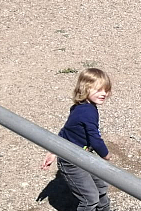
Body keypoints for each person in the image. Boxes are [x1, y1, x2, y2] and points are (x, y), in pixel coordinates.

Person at [41, 68, 113, 211]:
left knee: (101, 186)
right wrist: (105, 154)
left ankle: (104, 208)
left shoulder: (82, 107)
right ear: (85, 89)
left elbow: (67, 131)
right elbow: (94, 139)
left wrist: (53, 151)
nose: (104, 93)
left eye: (106, 90)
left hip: (83, 154)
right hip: (71, 161)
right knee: (90, 199)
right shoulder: (86, 112)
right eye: (99, 90)